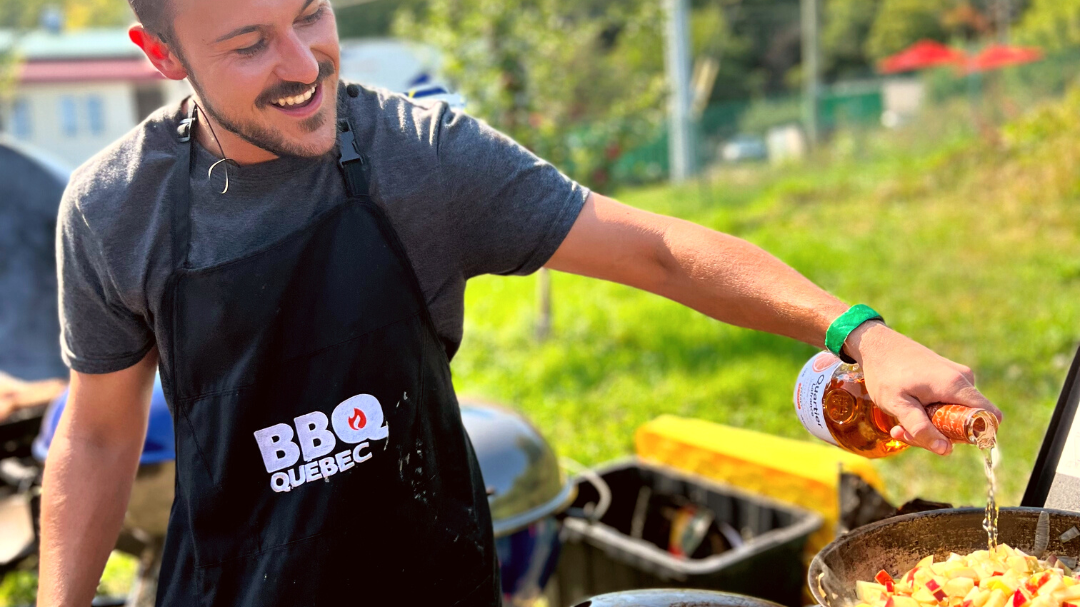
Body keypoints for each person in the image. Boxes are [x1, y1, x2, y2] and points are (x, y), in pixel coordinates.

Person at [39, 0, 1001, 605]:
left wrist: (858, 332)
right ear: (161, 54)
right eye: (250, 45)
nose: (303, 64)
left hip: (431, 579)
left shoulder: (421, 158)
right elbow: (97, 436)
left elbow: (659, 249)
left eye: (313, 13)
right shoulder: (116, 210)